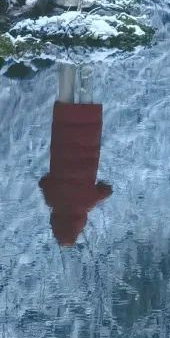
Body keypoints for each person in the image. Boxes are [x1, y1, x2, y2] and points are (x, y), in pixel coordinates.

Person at [39, 63, 112, 246]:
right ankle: (67, 65)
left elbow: (106, 190)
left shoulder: (87, 202)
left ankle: (87, 65)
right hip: (63, 136)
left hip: (88, 137)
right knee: (65, 99)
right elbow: (43, 182)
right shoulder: (52, 199)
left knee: (86, 101)